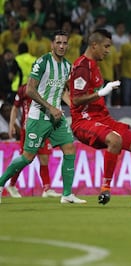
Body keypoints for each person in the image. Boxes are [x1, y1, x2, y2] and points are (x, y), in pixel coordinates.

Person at [68, 29, 131, 208]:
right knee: (115, 139)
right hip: (84, 120)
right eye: (106, 46)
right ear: (94, 45)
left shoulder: (94, 65)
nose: (108, 50)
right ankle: (105, 188)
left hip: (103, 119)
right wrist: (100, 93)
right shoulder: (82, 66)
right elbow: (77, 99)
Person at [0, 30, 86, 204]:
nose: (62, 46)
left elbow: (62, 91)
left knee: (70, 149)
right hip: (38, 116)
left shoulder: (67, 66)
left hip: (56, 118)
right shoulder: (42, 62)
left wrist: (74, 108)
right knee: (28, 157)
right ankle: (1, 184)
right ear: (52, 45)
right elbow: (30, 90)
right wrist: (50, 107)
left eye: (64, 43)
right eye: (58, 43)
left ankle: (67, 194)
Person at [6, 84, 61, 198]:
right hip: (28, 129)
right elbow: (15, 107)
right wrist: (11, 125)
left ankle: (46, 189)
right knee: (25, 159)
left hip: (42, 127)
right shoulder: (25, 89)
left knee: (44, 157)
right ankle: (11, 184)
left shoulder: (47, 88)